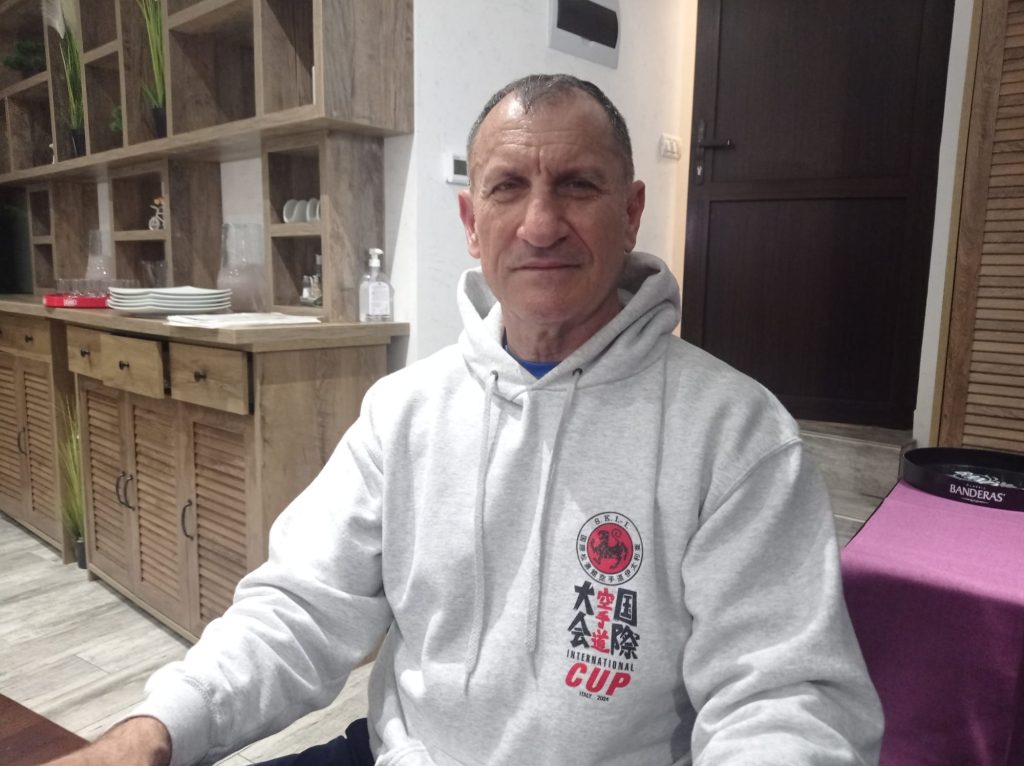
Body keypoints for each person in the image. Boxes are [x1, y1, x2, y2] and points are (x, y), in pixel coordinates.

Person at [46, 74, 883, 766]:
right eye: (508, 187)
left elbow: (783, 701)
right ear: (471, 222)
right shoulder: (405, 411)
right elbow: (300, 610)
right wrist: (154, 729)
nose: (541, 224)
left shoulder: (735, 435)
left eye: (577, 185)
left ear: (630, 212)